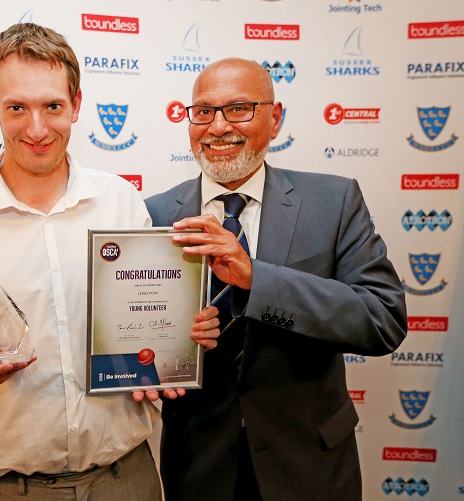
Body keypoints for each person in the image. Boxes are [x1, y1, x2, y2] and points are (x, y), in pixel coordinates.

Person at [0, 23, 218, 501]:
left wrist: (182, 338)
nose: (37, 128)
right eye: (16, 108)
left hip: (126, 478)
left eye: (53, 106)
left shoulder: (121, 202)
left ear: (77, 104)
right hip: (15, 488)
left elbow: (149, 325)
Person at [145, 58, 407, 501]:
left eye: (239, 109)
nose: (218, 127)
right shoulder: (154, 216)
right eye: (203, 112)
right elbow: (138, 346)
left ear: (275, 117)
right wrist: (160, 349)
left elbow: (382, 320)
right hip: (199, 469)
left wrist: (256, 280)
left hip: (311, 465)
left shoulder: (333, 201)